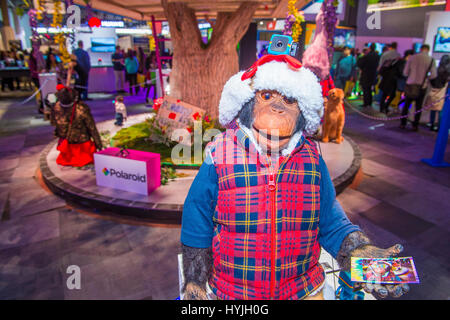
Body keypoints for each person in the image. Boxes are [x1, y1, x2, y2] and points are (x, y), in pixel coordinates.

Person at [50, 86, 102, 167]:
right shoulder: (81, 109)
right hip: (82, 145)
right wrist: (98, 144)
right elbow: (91, 128)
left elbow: (53, 122)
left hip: (66, 143)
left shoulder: (56, 107)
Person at [400, 44, 437, 131]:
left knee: (406, 105)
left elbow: (405, 72)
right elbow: (433, 75)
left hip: (410, 85)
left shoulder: (412, 58)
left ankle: (403, 123)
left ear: (420, 49)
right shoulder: (431, 60)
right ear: (428, 50)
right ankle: (415, 125)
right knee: (418, 107)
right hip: (422, 86)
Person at [425, 55, 450, 131]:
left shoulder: (436, 69)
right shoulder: (448, 72)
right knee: (441, 111)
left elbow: (431, 78)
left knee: (433, 109)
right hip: (442, 92)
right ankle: (440, 126)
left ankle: (431, 124)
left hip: (433, 90)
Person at [357, 43, 380, 108]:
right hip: (373, 74)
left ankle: (366, 103)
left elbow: (360, 64)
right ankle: (369, 103)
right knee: (370, 89)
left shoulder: (367, 56)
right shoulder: (377, 56)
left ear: (369, 48)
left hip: (366, 74)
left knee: (365, 89)